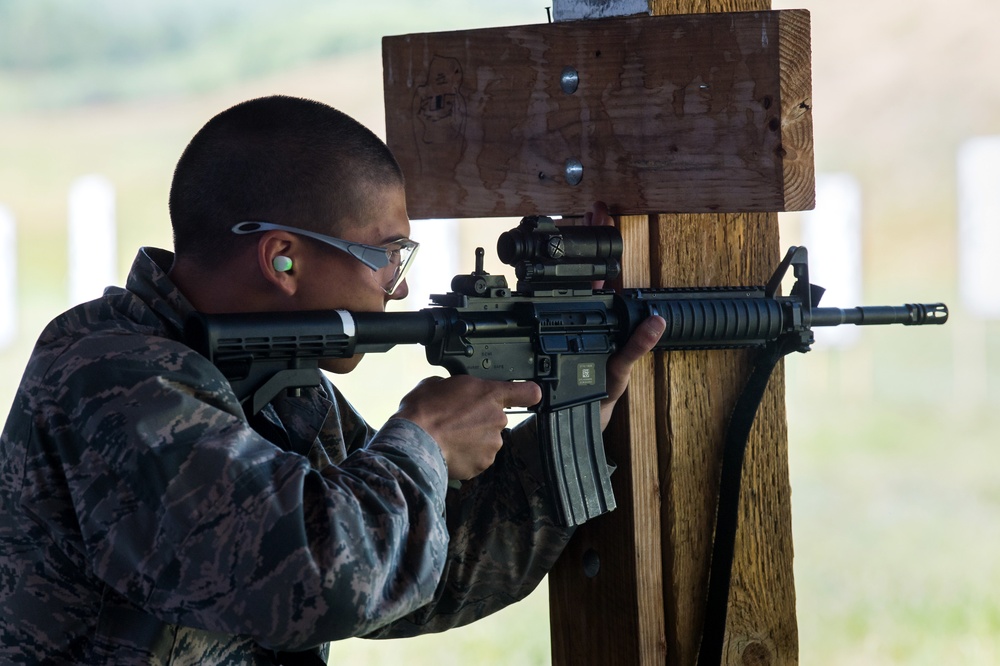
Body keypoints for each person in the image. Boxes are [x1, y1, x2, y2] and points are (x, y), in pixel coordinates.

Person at [0, 95, 665, 664]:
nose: (397, 288)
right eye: (387, 256)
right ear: (282, 260)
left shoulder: (269, 380)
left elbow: (423, 573)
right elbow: (323, 579)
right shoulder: (111, 378)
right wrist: (423, 440)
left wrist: (570, 418)